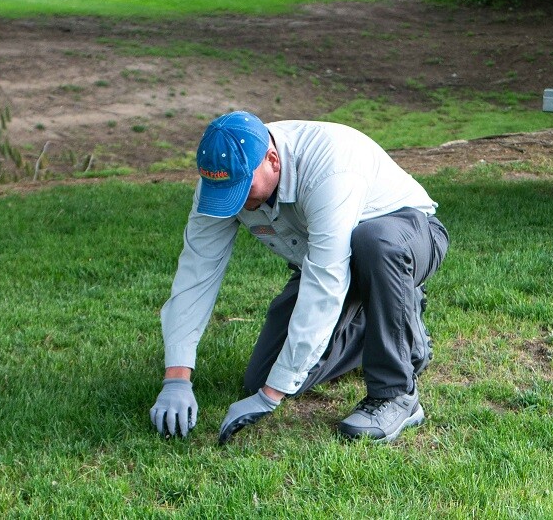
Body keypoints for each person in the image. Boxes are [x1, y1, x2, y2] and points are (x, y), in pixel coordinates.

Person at [149, 111, 449, 444]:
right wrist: (177, 377)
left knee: (372, 244)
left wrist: (271, 396)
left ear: (273, 160)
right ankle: (400, 330)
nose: (235, 203)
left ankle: (396, 394)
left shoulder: (331, 166)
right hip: (327, 262)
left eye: (241, 189)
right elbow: (197, 271)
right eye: (224, 192)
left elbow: (325, 283)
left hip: (405, 239)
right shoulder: (223, 178)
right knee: (262, 375)